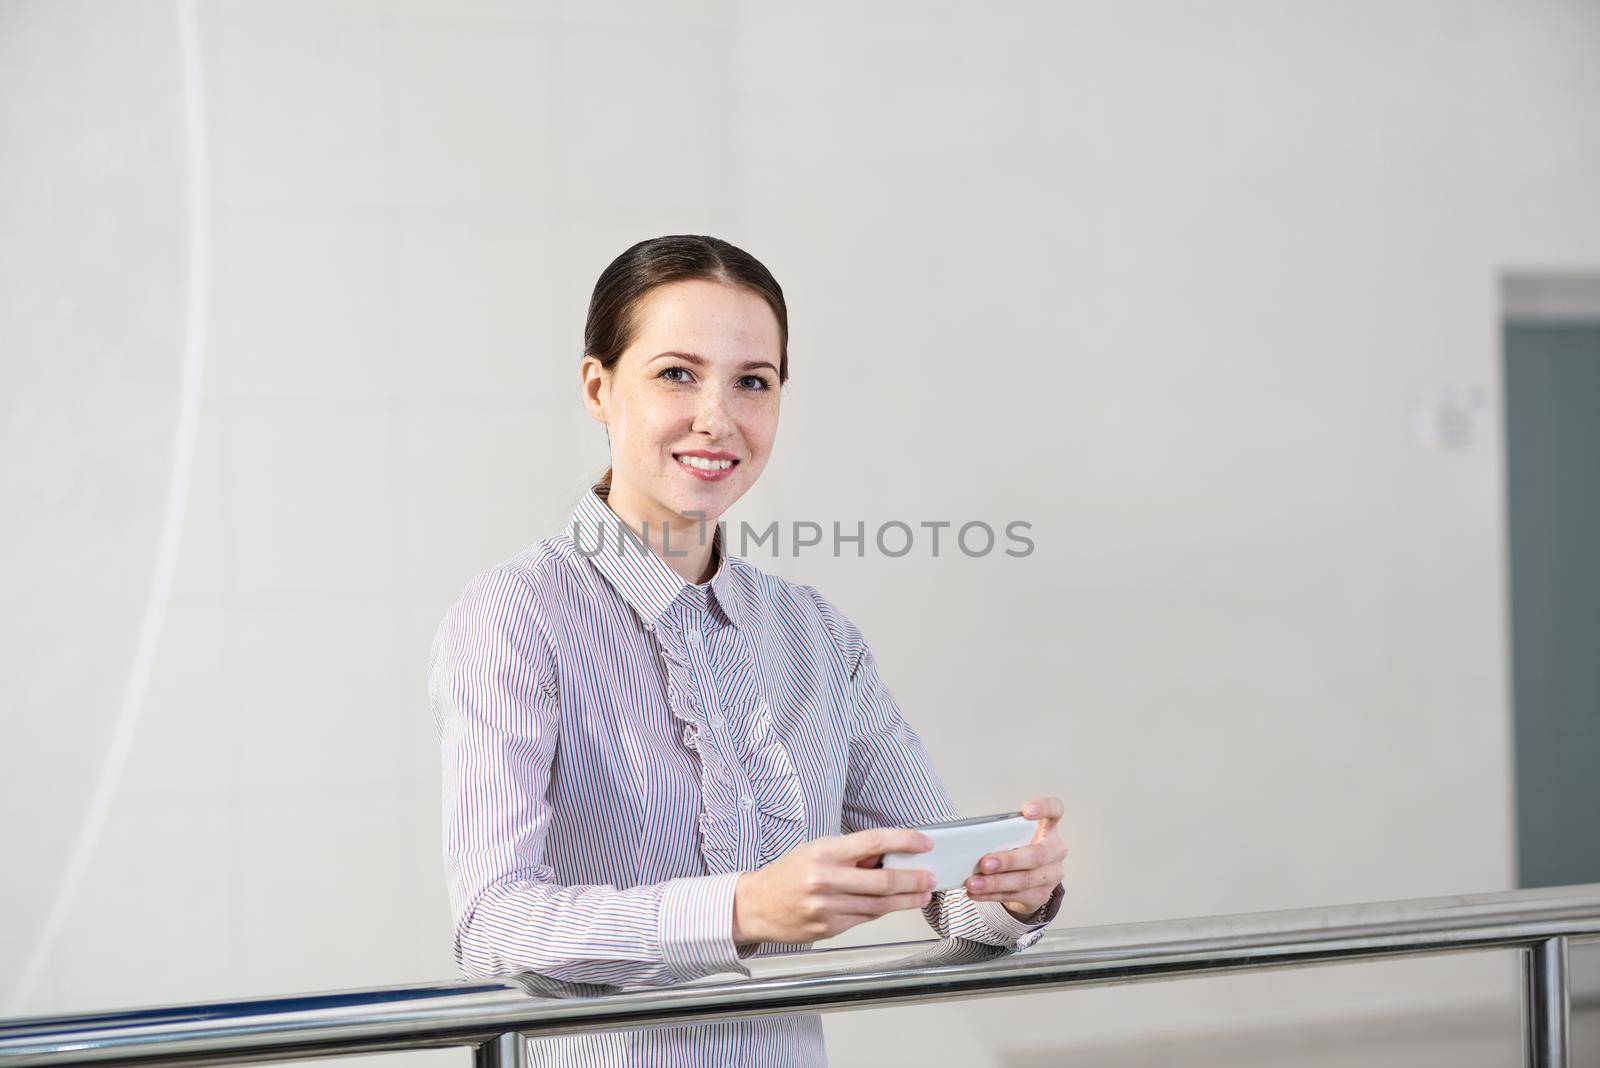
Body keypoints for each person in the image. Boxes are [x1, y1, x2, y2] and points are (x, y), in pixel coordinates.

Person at [429, 234, 1067, 1066]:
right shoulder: (515, 616)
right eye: (676, 374)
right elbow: (493, 928)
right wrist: (739, 909)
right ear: (598, 386)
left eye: (752, 383)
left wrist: (1012, 890)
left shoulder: (815, 635)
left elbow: (949, 898)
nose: (717, 418)